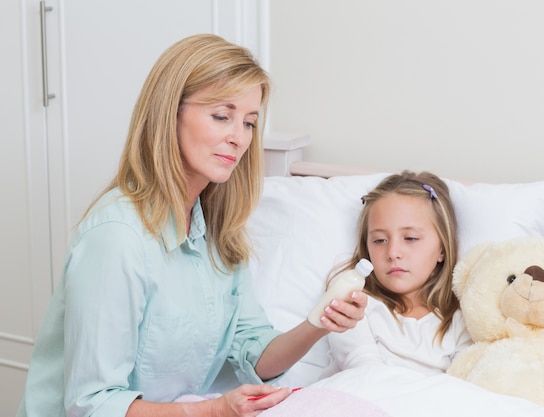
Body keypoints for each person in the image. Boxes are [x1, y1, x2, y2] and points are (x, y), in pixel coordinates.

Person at [16, 34, 367, 417]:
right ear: (170, 113)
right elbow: (93, 405)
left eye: (249, 122)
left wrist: (320, 322)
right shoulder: (117, 239)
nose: (239, 138)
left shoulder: (215, 234)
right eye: (222, 116)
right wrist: (213, 410)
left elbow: (255, 351)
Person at [327, 171, 472, 375]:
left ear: (442, 249)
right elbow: (363, 373)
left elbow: (464, 387)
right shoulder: (354, 306)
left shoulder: (460, 320)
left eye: (410, 238)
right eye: (379, 240)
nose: (393, 253)